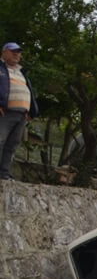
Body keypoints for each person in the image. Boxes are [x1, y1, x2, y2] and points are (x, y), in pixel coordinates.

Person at [0, 42, 40, 181]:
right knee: (0, 140)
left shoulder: (21, 72)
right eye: (12, 51)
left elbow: (30, 92)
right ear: (4, 52)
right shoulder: (1, 68)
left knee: (12, 145)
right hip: (5, 112)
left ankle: (4, 174)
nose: (16, 54)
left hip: (21, 115)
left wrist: (32, 111)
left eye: (18, 52)